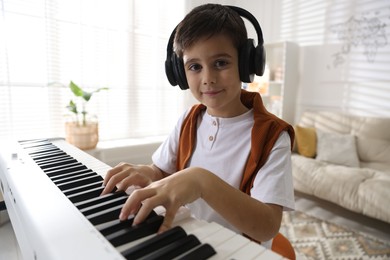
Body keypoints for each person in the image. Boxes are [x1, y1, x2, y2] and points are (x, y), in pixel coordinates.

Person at [101, 3, 295, 250]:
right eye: (194, 66)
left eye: (221, 63)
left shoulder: (273, 136)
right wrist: (148, 172)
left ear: (247, 64)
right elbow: (161, 170)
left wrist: (201, 181)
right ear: (179, 73)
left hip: (237, 251)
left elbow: (268, 225)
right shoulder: (189, 119)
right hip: (187, 239)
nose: (208, 78)